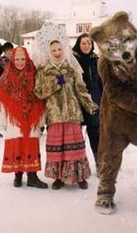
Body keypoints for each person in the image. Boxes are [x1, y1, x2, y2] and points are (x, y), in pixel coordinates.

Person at [34, 39, 97, 190]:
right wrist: (58, 81)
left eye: (59, 49)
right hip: (54, 114)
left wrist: (89, 105)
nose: (57, 53)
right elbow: (39, 92)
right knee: (57, 147)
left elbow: (81, 89)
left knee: (76, 146)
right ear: (49, 52)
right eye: (54, 50)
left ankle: (80, 176)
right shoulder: (43, 70)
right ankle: (59, 177)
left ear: (64, 50)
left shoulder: (71, 68)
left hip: (72, 113)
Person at [0, 46, 48, 189]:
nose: (20, 62)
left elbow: (40, 97)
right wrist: (2, 120)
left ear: (27, 59)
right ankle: (18, 174)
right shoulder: (6, 76)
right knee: (17, 143)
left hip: (31, 117)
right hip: (14, 120)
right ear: (12, 59)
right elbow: (0, 98)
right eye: (17, 59)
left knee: (31, 143)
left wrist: (41, 118)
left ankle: (32, 176)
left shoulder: (34, 74)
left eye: (23, 59)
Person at [72, 33, 103, 168]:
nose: (86, 46)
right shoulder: (72, 60)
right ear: (78, 44)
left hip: (93, 102)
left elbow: (101, 82)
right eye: (83, 43)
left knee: (95, 133)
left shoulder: (96, 60)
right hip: (76, 102)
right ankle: (79, 165)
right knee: (76, 136)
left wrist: (101, 100)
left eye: (89, 43)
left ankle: (99, 163)